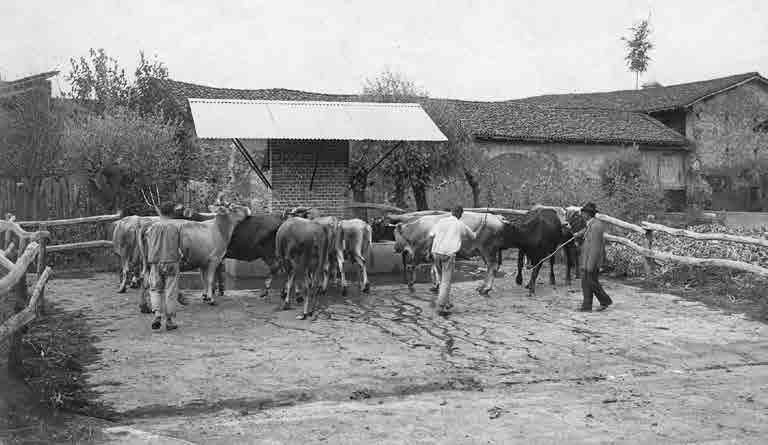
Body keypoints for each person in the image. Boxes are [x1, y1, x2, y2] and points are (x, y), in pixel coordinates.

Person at [428, 206, 483, 316]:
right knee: (445, 282)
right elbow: (473, 236)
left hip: (436, 253)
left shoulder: (441, 221)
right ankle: (441, 306)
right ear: (460, 214)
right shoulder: (460, 224)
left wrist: (429, 251)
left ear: (452, 212)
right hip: (448, 255)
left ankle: (446, 302)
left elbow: (431, 235)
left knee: (441, 279)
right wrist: (481, 227)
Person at [144, 201, 184, 330]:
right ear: (173, 212)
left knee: (155, 289)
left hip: (155, 263)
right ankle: (169, 321)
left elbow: (148, 243)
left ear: (159, 212)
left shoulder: (152, 227)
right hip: (171, 262)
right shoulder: (175, 227)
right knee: (170, 291)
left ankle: (157, 314)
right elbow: (179, 246)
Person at [572, 202, 612, 312]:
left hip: (591, 261)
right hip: (586, 259)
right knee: (586, 283)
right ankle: (586, 306)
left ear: (588, 214)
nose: (581, 214)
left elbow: (595, 247)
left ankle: (605, 300)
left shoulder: (596, 226)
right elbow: (586, 231)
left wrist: (589, 266)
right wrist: (578, 234)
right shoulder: (591, 224)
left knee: (591, 282)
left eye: (583, 212)